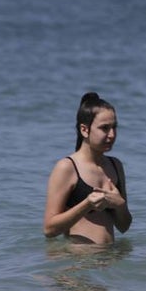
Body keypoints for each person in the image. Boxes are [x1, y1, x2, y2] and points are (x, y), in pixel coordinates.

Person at [43, 92, 132, 243]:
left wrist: (120, 205)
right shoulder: (67, 167)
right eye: (104, 128)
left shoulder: (115, 165)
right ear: (84, 130)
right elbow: (49, 230)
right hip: (79, 256)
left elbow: (123, 227)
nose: (112, 134)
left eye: (114, 127)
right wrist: (87, 204)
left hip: (111, 255)